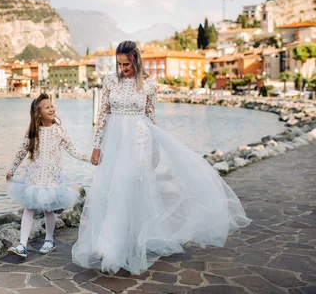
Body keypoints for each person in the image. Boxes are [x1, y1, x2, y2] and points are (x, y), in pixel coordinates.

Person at [72, 40, 251, 275]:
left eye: (126, 64)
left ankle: (127, 245)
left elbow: (151, 118)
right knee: (112, 190)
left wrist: (154, 150)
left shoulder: (149, 83)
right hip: (113, 143)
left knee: (129, 189)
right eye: (119, 64)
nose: (122, 68)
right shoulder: (110, 81)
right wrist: (96, 147)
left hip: (138, 142)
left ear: (136, 60)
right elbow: (102, 114)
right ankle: (110, 243)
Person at [6, 93, 91, 257]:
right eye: (47, 107)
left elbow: (73, 151)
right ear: (38, 113)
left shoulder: (59, 131)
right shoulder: (32, 132)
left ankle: (49, 240)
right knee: (28, 208)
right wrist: (12, 170)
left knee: (48, 210)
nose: (52, 108)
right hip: (34, 176)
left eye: (52, 106)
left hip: (52, 177)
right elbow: (21, 152)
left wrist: (90, 158)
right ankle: (22, 245)